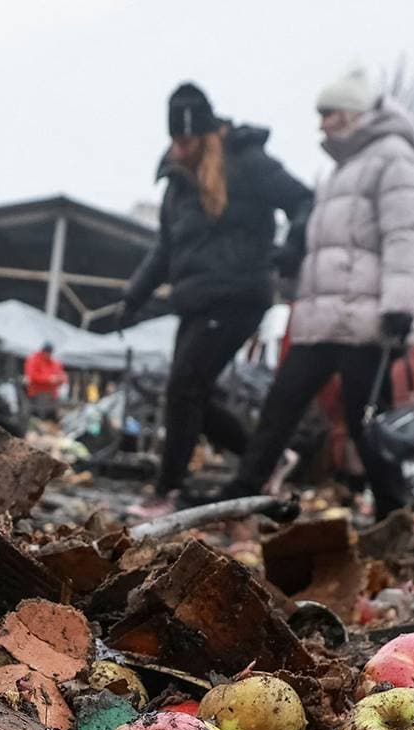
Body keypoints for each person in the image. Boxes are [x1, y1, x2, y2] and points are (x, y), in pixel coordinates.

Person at [218, 67, 414, 517]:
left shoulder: (393, 159)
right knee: (281, 404)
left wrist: (400, 305)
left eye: (329, 113)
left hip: (366, 321)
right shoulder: (343, 169)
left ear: (355, 114)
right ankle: (243, 491)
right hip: (322, 316)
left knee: (365, 421)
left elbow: (407, 236)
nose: (321, 123)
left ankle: (394, 512)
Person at [122, 82, 313, 518]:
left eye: (187, 139)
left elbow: (302, 199)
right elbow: (165, 249)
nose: (179, 148)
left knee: (183, 390)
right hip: (195, 300)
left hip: (240, 295)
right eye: (174, 139)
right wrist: (133, 294)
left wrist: (292, 247)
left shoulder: (245, 161)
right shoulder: (176, 185)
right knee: (191, 395)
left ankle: (168, 490)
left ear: (205, 134)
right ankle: (266, 458)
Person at [23, 342, 67, 421]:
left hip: (52, 396)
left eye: (50, 352)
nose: (48, 354)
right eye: (47, 352)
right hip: (38, 394)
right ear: (43, 351)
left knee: (54, 417)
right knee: (39, 417)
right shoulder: (33, 359)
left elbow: (61, 374)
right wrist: (48, 379)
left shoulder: (53, 362)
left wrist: (61, 378)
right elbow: (32, 376)